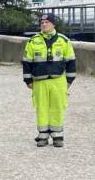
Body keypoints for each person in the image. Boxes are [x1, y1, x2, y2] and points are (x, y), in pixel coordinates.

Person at [22, 12, 76, 147]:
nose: (44, 24)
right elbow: (27, 61)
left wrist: (69, 80)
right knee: (41, 107)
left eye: (47, 22)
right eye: (42, 23)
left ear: (53, 24)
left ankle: (57, 136)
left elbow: (71, 61)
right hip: (39, 81)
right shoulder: (33, 41)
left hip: (58, 80)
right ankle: (43, 135)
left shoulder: (63, 40)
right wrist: (28, 80)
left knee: (58, 107)